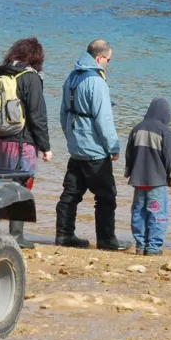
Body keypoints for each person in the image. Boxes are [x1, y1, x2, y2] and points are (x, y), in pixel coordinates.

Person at [0, 38, 52, 248]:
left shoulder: (2, 73)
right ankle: (17, 236)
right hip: (22, 143)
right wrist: (46, 147)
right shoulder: (30, 78)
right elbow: (37, 115)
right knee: (21, 186)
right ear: (36, 57)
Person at [57, 39, 126, 251]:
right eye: (108, 60)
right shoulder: (96, 81)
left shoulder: (72, 77)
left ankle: (64, 235)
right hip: (94, 150)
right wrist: (113, 147)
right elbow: (103, 119)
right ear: (99, 58)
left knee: (71, 193)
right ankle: (106, 240)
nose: (108, 64)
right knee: (106, 196)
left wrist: (70, 137)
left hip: (76, 147)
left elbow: (63, 113)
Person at [124, 98, 171, 257]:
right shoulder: (164, 131)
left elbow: (129, 154)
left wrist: (128, 171)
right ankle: (154, 248)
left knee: (138, 212)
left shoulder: (136, 129)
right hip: (157, 182)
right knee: (157, 213)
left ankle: (140, 245)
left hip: (138, 181)